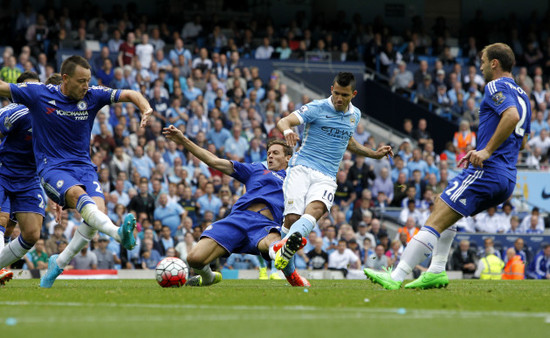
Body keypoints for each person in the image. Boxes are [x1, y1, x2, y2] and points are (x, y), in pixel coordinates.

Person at [365, 43, 532, 290]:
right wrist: (488, 148)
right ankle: (436, 271)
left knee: (434, 220)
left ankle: (397, 276)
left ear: (495, 63)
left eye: (484, 61)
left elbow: (511, 117)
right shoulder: (524, 95)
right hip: (507, 176)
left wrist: (486, 151)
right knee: (442, 204)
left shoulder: (495, 85)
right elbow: (524, 140)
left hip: (488, 170)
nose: (481, 66)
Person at [0, 55, 154, 288]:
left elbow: (130, 93)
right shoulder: (39, 95)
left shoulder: (92, 95)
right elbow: (3, 88)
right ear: (65, 78)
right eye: (81, 81)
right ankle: (119, 234)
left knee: (95, 216)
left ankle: (59, 262)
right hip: (52, 168)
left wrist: (145, 108)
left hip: (83, 167)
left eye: (88, 80)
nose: (86, 86)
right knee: (78, 199)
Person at [163, 125, 309, 287]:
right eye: (268, 154)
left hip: (265, 225)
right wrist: (183, 140)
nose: (270, 157)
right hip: (237, 220)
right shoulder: (256, 169)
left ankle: (282, 255)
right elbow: (213, 161)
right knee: (194, 259)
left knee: (273, 243)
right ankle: (209, 277)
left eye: (275, 153)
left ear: (288, 158)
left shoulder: (295, 179)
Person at [274, 72, 393, 273]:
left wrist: (373, 154)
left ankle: (280, 257)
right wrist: (288, 132)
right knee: (293, 219)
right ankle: (285, 266)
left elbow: (348, 141)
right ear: (331, 90)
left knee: (316, 210)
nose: (339, 98)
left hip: (327, 175)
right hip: (302, 168)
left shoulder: (355, 115)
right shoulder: (316, 107)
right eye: (336, 93)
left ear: (353, 94)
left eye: (344, 95)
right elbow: (284, 121)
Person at [0, 71, 44, 286]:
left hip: (28, 180)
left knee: (32, 233)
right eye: (27, 88)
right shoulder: (14, 112)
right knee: (1, 220)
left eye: (36, 87)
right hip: (3, 172)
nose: (32, 92)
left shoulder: (48, 114)